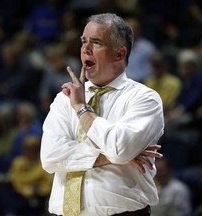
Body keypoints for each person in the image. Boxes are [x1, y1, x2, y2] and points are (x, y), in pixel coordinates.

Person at [40, 13, 164, 216]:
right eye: (83, 41)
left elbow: (119, 149)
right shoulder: (64, 98)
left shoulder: (144, 98)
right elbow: (50, 157)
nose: (85, 49)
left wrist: (82, 108)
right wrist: (108, 157)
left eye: (96, 42)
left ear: (119, 54)